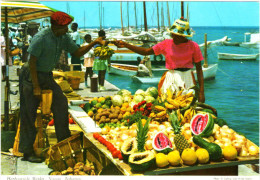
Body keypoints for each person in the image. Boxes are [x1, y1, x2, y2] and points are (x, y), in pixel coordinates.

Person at [19, 11, 105, 163]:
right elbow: (32, 62)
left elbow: (77, 52)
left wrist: (94, 42)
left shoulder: (64, 37)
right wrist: (36, 87)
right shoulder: (41, 38)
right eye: (65, 27)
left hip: (46, 75)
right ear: (56, 26)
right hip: (30, 76)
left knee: (61, 104)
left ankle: (63, 142)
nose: (67, 30)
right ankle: (27, 151)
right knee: (29, 113)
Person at [114, 17, 205, 103]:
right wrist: (126, 45)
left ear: (185, 36)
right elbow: (146, 51)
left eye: (179, 35)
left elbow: (199, 69)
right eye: (174, 34)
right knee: (169, 103)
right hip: (171, 77)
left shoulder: (194, 46)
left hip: (188, 78)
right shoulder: (166, 44)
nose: (175, 36)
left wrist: (201, 92)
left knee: (188, 104)